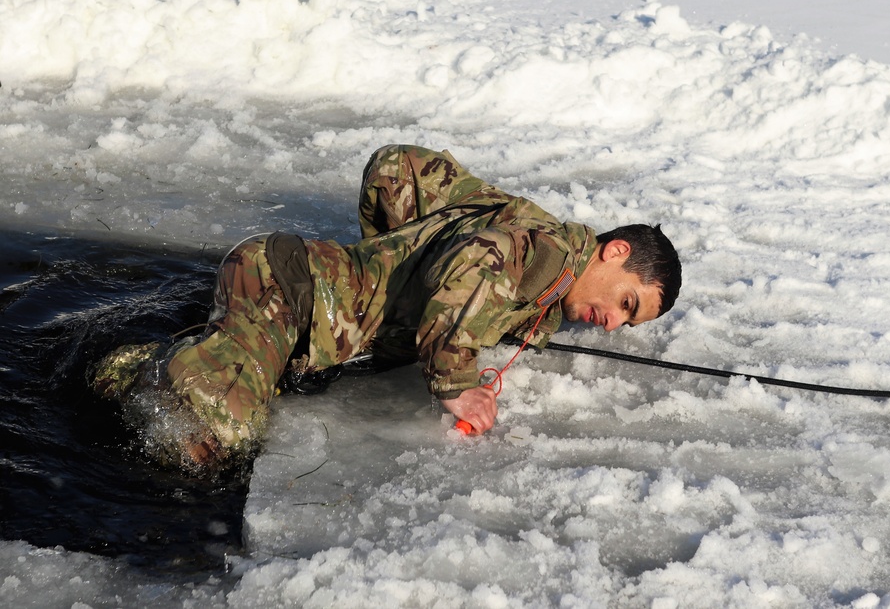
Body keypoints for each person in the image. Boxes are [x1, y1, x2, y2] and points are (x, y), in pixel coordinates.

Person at [91, 145, 681, 475]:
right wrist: (455, 381)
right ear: (615, 250)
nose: (613, 322)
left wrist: (392, 263)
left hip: (279, 280)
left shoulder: (527, 235)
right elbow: (481, 263)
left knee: (225, 416)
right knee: (215, 441)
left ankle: (145, 366)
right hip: (288, 292)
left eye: (629, 322)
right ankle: (151, 373)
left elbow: (394, 169)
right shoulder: (541, 252)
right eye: (626, 302)